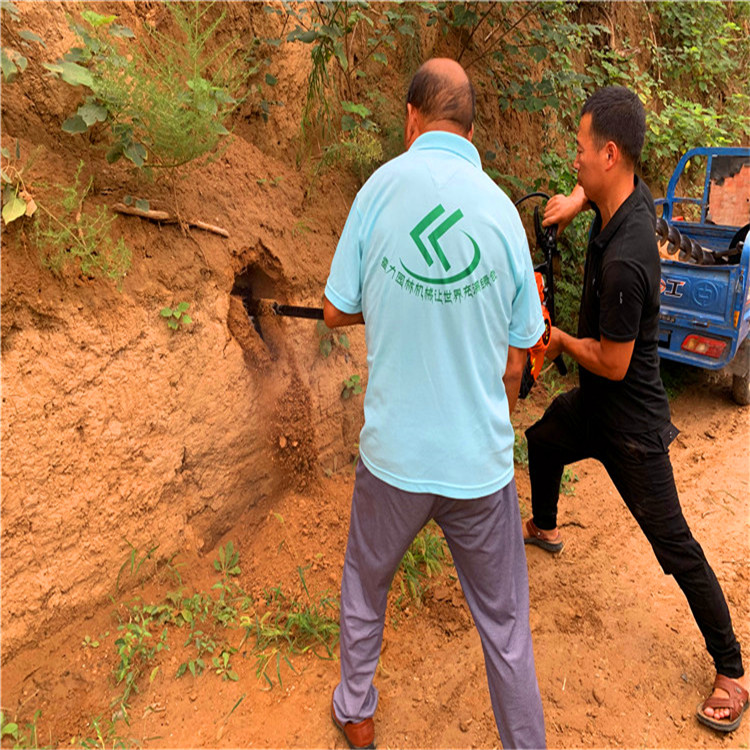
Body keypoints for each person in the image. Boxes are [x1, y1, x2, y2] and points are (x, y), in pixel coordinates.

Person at [323, 58, 547, 749]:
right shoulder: (502, 214)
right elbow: (522, 349)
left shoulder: (378, 189)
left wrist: (389, 301)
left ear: (411, 119)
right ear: (471, 130)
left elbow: (334, 310)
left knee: (367, 584)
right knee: (505, 627)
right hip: (478, 467)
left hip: (393, 458)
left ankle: (356, 712)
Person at [525, 85, 749, 735]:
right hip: (595, 408)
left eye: (581, 149)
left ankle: (733, 671)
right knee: (542, 441)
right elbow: (612, 195)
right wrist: (577, 201)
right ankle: (545, 527)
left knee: (674, 547)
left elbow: (613, 361)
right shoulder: (629, 202)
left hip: (630, 428)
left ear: (610, 154)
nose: (574, 159)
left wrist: (559, 340)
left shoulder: (627, 258)